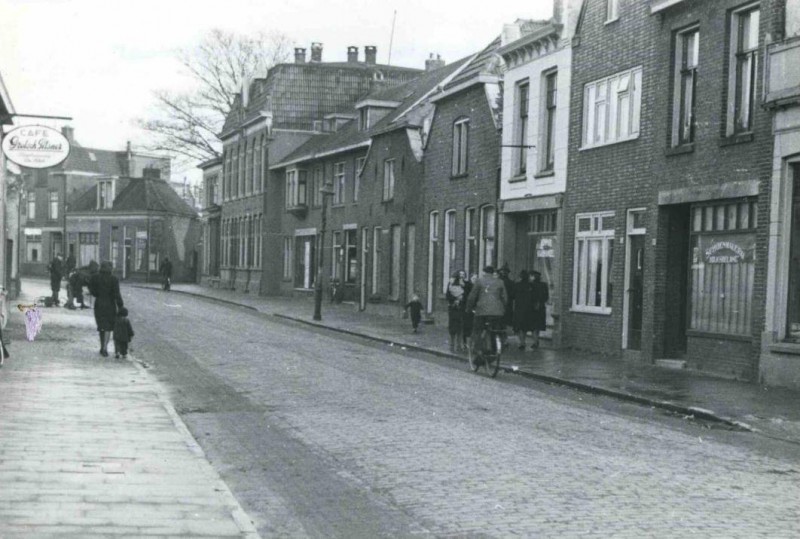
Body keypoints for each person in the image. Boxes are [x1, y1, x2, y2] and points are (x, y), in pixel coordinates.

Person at [465, 266, 507, 353]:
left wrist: (468, 309)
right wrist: (503, 309)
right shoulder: (500, 282)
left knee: (478, 329)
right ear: (493, 273)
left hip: (482, 311)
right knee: (496, 329)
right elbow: (505, 298)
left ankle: (477, 350)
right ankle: (498, 345)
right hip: (497, 312)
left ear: (484, 272)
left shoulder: (479, 281)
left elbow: (472, 297)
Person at [89, 261, 123, 357]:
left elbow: (93, 291)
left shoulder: (95, 277)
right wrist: (120, 305)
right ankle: (105, 347)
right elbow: (117, 294)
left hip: (99, 304)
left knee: (101, 327)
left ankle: (102, 347)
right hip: (110, 305)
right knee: (108, 327)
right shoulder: (114, 279)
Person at [512, 269, 536, 350]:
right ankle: (530, 341)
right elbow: (534, 297)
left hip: (519, 308)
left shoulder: (516, 285)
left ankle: (522, 342)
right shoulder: (531, 285)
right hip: (529, 309)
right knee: (526, 326)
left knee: (520, 326)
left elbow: (512, 296)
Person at [445, 272, 466, 352]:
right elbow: (447, 295)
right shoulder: (450, 285)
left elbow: (465, 295)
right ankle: (453, 345)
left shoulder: (462, 285)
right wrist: (455, 300)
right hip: (453, 308)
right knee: (454, 327)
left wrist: (459, 300)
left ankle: (457, 345)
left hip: (459, 308)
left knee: (459, 327)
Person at [530, 270, 549, 348]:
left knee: (533, 325)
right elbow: (546, 296)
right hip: (541, 307)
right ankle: (536, 340)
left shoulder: (531, 285)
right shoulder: (544, 285)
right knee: (537, 325)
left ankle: (535, 341)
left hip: (532, 307)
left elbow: (529, 296)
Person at [462, 272, 477, 349]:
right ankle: (466, 343)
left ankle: (472, 343)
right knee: (467, 326)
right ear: (470, 279)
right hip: (468, 309)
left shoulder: (478, 287)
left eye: (476, 278)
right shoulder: (468, 286)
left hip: (475, 309)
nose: (475, 280)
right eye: (473, 278)